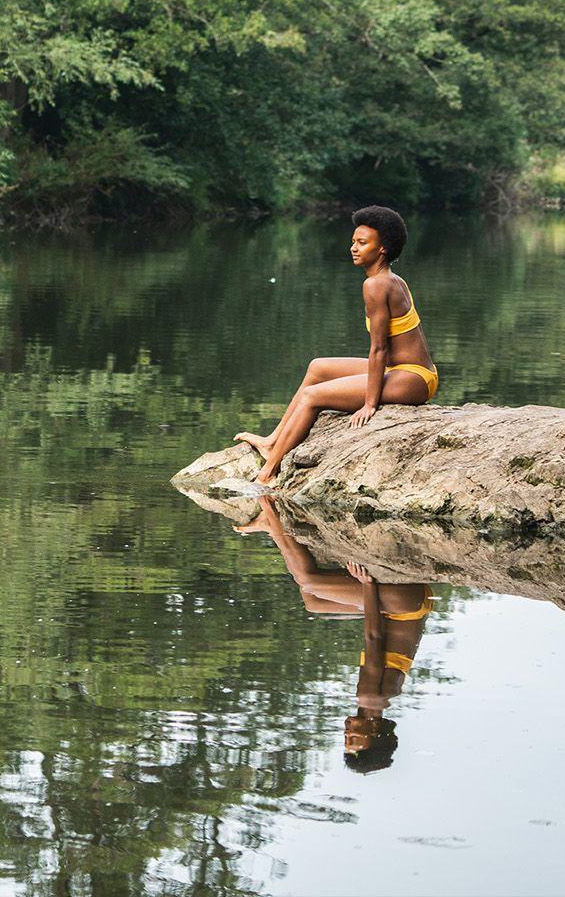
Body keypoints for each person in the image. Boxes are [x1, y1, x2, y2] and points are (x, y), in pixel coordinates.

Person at [234, 205, 438, 487]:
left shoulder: (377, 285)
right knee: (318, 368)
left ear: (382, 249)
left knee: (313, 396)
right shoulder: (390, 278)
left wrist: (370, 403)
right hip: (402, 369)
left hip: (414, 378)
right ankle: (272, 441)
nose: (353, 248)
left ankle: (268, 473)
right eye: (354, 241)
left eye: (362, 243)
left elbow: (378, 349)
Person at [233, 503, 430, 775]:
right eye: (354, 739)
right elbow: (373, 637)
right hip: (401, 606)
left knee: (313, 602)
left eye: (345, 740)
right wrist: (367, 588)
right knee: (309, 582)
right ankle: (272, 516)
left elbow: (382, 636)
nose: (346, 733)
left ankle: (276, 530)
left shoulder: (384, 699)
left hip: (408, 609)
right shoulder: (370, 697)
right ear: (375, 731)